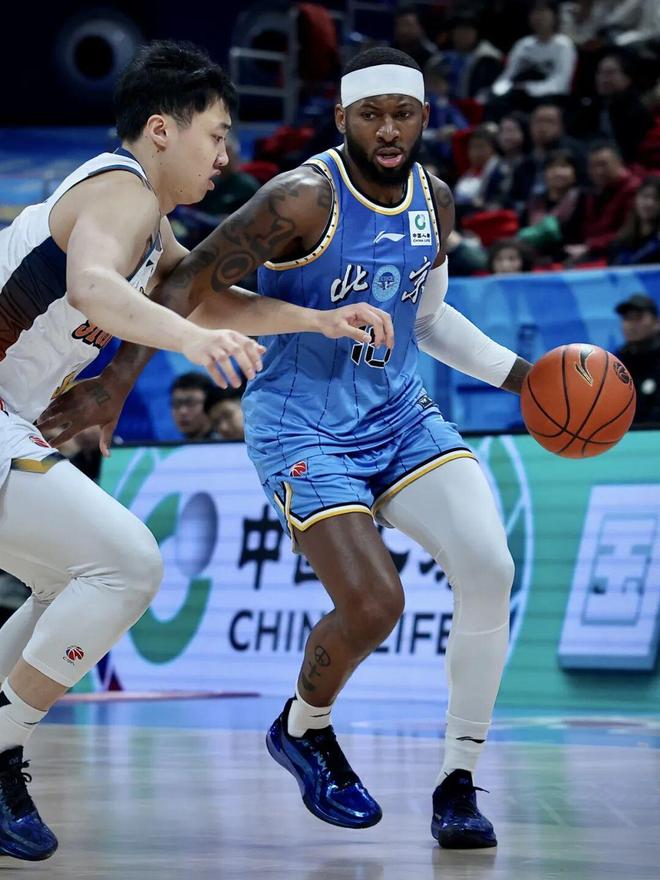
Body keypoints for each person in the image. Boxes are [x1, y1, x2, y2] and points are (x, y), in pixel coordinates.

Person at [43, 46, 533, 850]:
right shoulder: (300, 198)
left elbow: (426, 320)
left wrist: (524, 379)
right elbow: (186, 281)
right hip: (301, 423)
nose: (387, 129)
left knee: (490, 567)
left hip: (399, 415)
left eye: (402, 114)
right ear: (342, 119)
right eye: (370, 114)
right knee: (375, 606)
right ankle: (305, 727)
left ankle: (457, 780)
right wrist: (115, 385)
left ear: (424, 118)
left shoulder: (435, 202)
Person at [0, 40, 388, 862]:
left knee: (72, 579)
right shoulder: (121, 188)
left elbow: (209, 299)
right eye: (215, 134)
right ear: (161, 130)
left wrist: (318, 321)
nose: (226, 155)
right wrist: (187, 342)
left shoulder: (151, 227)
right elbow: (93, 288)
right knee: (127, 566)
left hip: (11, 419)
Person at [489, 1, 577, 114]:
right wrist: (497, 90)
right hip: (519, 93)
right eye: (534, 12)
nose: (538, 16)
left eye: (543, 11)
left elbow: (561, 83)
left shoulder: (564, 45)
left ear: (555, 15)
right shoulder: (522, 44)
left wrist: (529, 87)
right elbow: (508, 75)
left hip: (549, 97)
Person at [568, 141, 640, 263]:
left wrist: (590, 246)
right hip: (591, 250)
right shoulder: (594, 190)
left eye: (603, 165)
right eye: (593, 166)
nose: (598, 171)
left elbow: (628, 232)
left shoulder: (633, 189)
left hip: (619, 254)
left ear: (619, 162)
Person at [614, 293, 660, 424]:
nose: (631, 324)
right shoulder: (615, 362)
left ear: (657, 323)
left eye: (639, 317)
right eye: (627, 318)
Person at [610, 177, 660, 266]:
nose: (649, 203)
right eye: (645, 196)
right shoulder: (623, 237)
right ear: (636, 199)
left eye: (656, 199)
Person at [170, 372, 219, 441]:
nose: (183, 411)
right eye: (176, 403)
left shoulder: (225, 444)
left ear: (210, 405)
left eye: (191, 403)